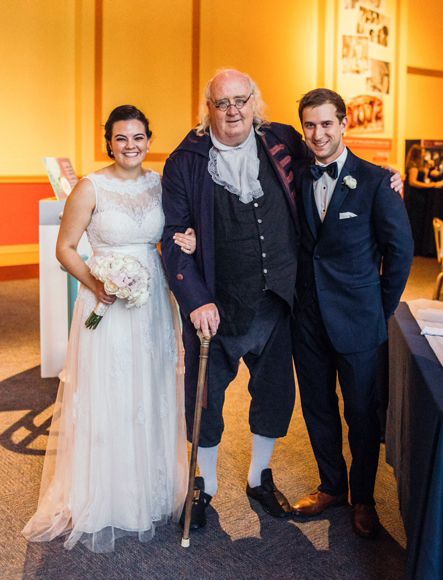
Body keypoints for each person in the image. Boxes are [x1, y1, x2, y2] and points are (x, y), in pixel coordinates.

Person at [161, 69, 402, 529]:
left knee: (275, 395)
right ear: (208, 109)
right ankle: (205, 485)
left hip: (279, 304)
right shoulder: (185, 162)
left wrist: (384, 176)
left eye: (241, 100)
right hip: (216, 306)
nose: (233, 110)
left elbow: (331, 157)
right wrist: (194, 299)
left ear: (255, 102)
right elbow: (173, 238)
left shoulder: (281, 140)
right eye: (222, 103)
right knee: (205, 398)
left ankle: (259, 477)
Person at [23, 106, 194, 552]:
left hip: (152, 302)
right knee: (111, 390)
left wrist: (188, 239)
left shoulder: (161, 183)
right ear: (109, 143)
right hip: (106, 302)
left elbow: (174, 232)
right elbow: (65, 248)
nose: (130, 145)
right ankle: (107, 495)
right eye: (121, 138)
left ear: (148, 140)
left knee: (151, 389)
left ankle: (151, 489)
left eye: (138, 137)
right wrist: (98, 283)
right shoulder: (90, 187)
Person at [289, 89, 413, 539]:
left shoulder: (378, 181)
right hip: (306, 318)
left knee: (361, 414)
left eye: (326, 124)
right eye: (309, 125)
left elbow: (400, 251)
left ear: (344, 124)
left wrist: (381, 308)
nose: (317, 134)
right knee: (317, 407)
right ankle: (331, 486)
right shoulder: (294, 177)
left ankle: (363, 498)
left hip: (360, 319)